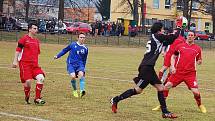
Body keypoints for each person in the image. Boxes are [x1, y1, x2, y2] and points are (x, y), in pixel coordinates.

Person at [110, 22, 180, 119]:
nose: (164, 31)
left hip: (148, 67)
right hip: (147, 67)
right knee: (148, 89)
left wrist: (175, 33)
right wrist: (179, 29)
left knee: (152, 89)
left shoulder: (155, 37)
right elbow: (170, 38)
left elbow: (169, 41)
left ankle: (116, 99)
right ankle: (165, 112)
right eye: (163, 29)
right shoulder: (157, 35)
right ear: (159, 30)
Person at [162, 31, 206, 113]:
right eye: (189, 35)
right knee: (166, 86)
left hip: (190, 74)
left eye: (191, 35)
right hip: (178, 72)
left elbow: (199, 59)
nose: (190, 36)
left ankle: (200, 105)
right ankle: (162, 105)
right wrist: (172, 66)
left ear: (194, 37)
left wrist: (199, 61)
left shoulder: (198, 48)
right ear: (186, 36)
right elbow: (173, 56)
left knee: (196, 92)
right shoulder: (180, 46)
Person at [12, 22, 46, 105]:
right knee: (28, 82)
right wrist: (15, 61)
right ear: (29, 29)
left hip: (34, 65)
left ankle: (37, 99)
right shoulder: (24, 39)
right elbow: (18, 50)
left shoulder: (36, 41)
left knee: (41, 78)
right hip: (25, 64)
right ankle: (27, 96)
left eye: (36, 28)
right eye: (34, 28)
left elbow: (36, 54)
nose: (36, 30)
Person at [54, 33, 88, 98]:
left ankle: (82, 91)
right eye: (81, 37)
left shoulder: (85, 48)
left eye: (83, 37)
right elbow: (64, 50)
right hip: (71, 64)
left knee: (81, 74)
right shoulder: (73, 45)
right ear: (77, 38)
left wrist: (83, 67)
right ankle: (75, 90)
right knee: (73, 76)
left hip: (80, 64)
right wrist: (57, 56)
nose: (82, 39)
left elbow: (84, 59)